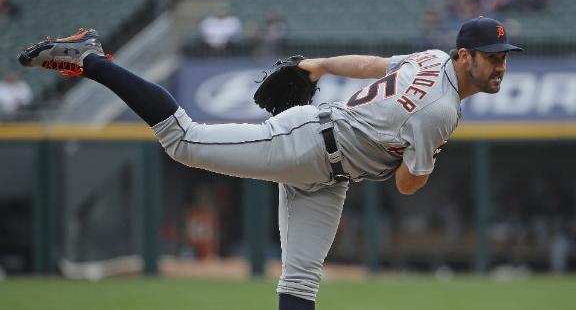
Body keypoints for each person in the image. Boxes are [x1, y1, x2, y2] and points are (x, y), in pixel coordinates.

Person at [18, 16, 522, 310]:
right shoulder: (441, 111)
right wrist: (426, 153)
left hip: (328, 176)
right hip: (307, 143)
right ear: (464, 57)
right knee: (183, 141)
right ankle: (92, 59)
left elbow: (375, 65)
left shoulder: (431, 59)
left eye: (503, 56)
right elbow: (408, 187)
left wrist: (319, 64)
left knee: (302, 279)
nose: (500, 65)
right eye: (491, 56)